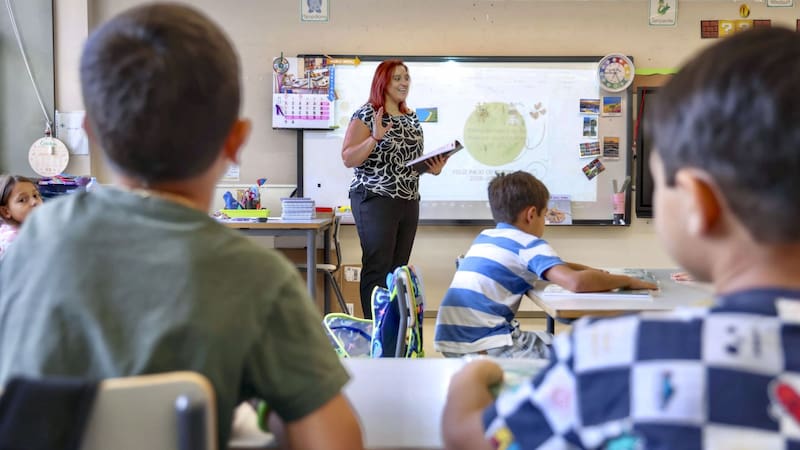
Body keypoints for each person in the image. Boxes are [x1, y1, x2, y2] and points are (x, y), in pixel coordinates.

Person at [0, 4, 362, 450]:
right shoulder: (259, 278)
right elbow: (335, 441)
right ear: (236, 141)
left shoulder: (30, 243)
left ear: (93, 133)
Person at [442, 27, 800, 449]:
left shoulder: (610, 357)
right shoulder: (528, 245)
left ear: (697, 202)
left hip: (475, 353)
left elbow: (475, 439)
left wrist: (470, 377)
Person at [434, 171, 656, 359]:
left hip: (452, 339)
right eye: (545, 215)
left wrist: (591, 271)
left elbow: (555, 266)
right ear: (532, 215)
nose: (545, 223)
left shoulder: (487, 237)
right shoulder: (528, 244)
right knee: (575, 353)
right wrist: (627, 281)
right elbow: (575, 283)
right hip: (488, 343)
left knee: (550, 340)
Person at [341, 59, 448, 319]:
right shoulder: (367, 114)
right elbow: (348, 157)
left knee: (398, 269)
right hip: (375, 198)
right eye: (397, 78)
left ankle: (393, 329)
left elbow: (407, 164)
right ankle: (374, 329)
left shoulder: (411, 117)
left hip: (408, 199)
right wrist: (374, 138)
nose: (404, 83)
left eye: (406, 78)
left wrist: (432, 168)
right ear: (383, 82)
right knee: (378, 266)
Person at [0, 175, 42, 259]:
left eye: (35, 195)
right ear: (6, 211)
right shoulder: (14, 240)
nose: (34, 202)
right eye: (22, 200)